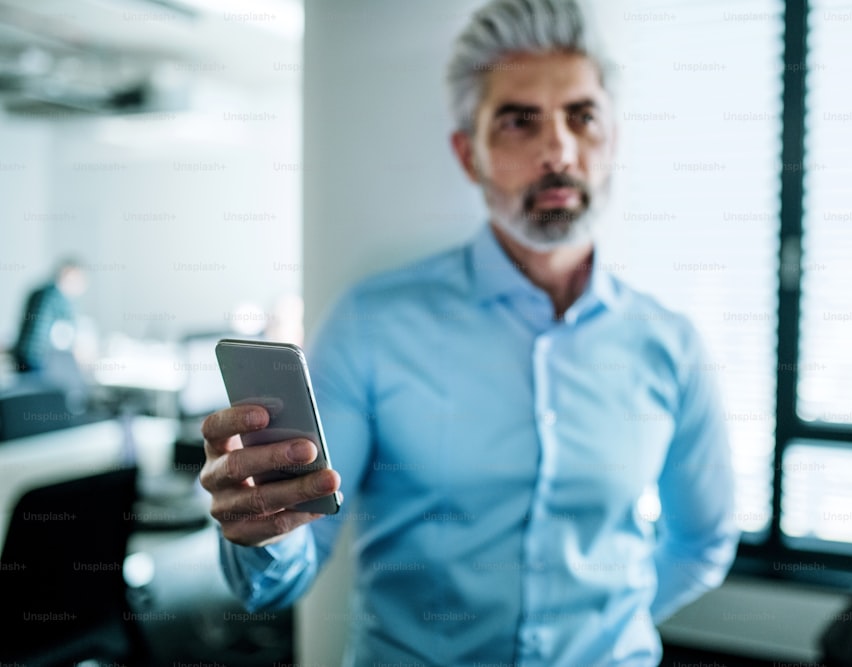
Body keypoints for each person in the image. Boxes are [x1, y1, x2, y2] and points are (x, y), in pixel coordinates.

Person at [199, 1, 739, 664]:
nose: (558, 150)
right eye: (519, 121)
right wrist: (263, 531)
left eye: (582, 116)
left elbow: (702, 541)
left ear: (613, 140)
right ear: (469, 154)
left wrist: (605, 626)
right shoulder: (372, 325)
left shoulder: (671, 343)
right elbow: (292, 564)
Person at [12, 257, 88, 375]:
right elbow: (62, 336)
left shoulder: (39, 292)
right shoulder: (57, 298)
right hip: (38, 360)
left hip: (22, 356)